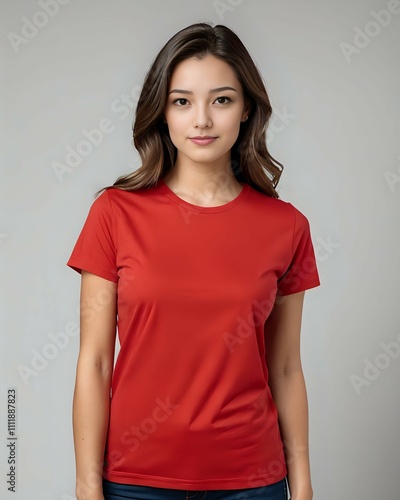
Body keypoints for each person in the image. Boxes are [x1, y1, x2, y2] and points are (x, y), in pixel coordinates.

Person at [67, 22, 320, 500]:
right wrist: (86, 485)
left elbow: (286, 367)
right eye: (182, 101)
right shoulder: (114, 213)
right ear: (162, 111)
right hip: (134, 480)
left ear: (247, 109)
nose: (201, 119)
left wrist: (302, 485)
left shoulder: (286, 226)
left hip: (252, 482)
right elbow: (95, 361)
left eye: (221, 100)